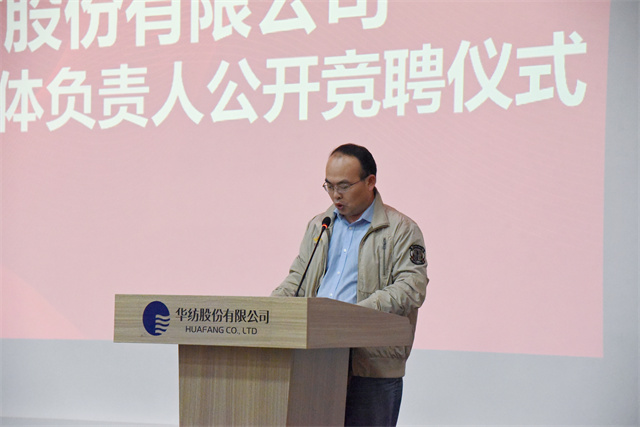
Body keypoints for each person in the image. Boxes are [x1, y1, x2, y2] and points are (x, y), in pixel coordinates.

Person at [271, 143, 428, 426]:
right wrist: (269, 310)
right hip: (316, 358)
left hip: (371, 366)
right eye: (329, 186)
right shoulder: (320, 225)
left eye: (343, 186)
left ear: (370, 182)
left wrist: (353, 316)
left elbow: (410, 288)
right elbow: (297, 280)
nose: (335, 195)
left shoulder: (401, 229)